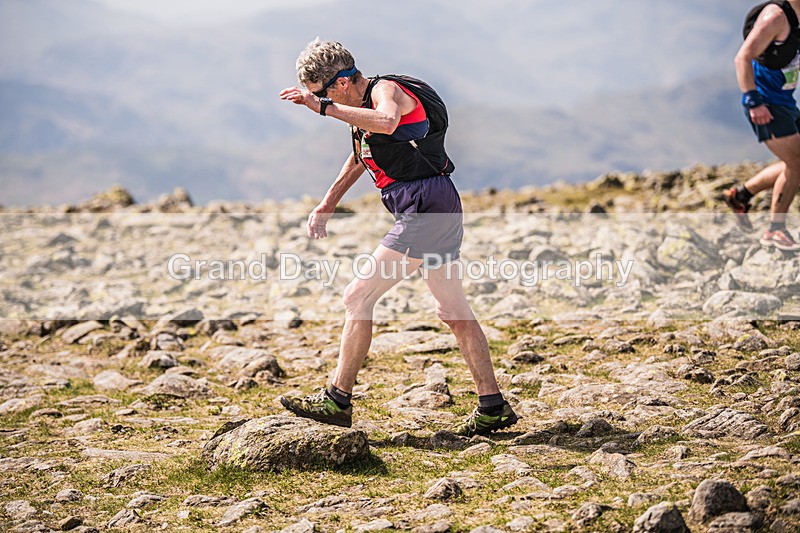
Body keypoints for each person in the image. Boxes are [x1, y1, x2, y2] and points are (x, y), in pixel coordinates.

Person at [277, 39, 517, 437]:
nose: (322, 102)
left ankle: (337, 400)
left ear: (340, 84)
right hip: (435, 201)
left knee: (357, 297)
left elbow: (387, 122)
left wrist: (322, 108)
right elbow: (362, 154)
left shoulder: (384, 91)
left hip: (424, 206)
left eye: (323, 93)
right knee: (451, 310)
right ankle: (492, 406)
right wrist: (327, 203)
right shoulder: (361, 111)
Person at [730, 0, 800, 251]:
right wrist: (753, 101)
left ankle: (741, 195)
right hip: (766, 105)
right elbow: (742, 58)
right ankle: (774, 230)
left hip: (786, 103)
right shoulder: (775, 17)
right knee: (798, 162)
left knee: (793, 162)